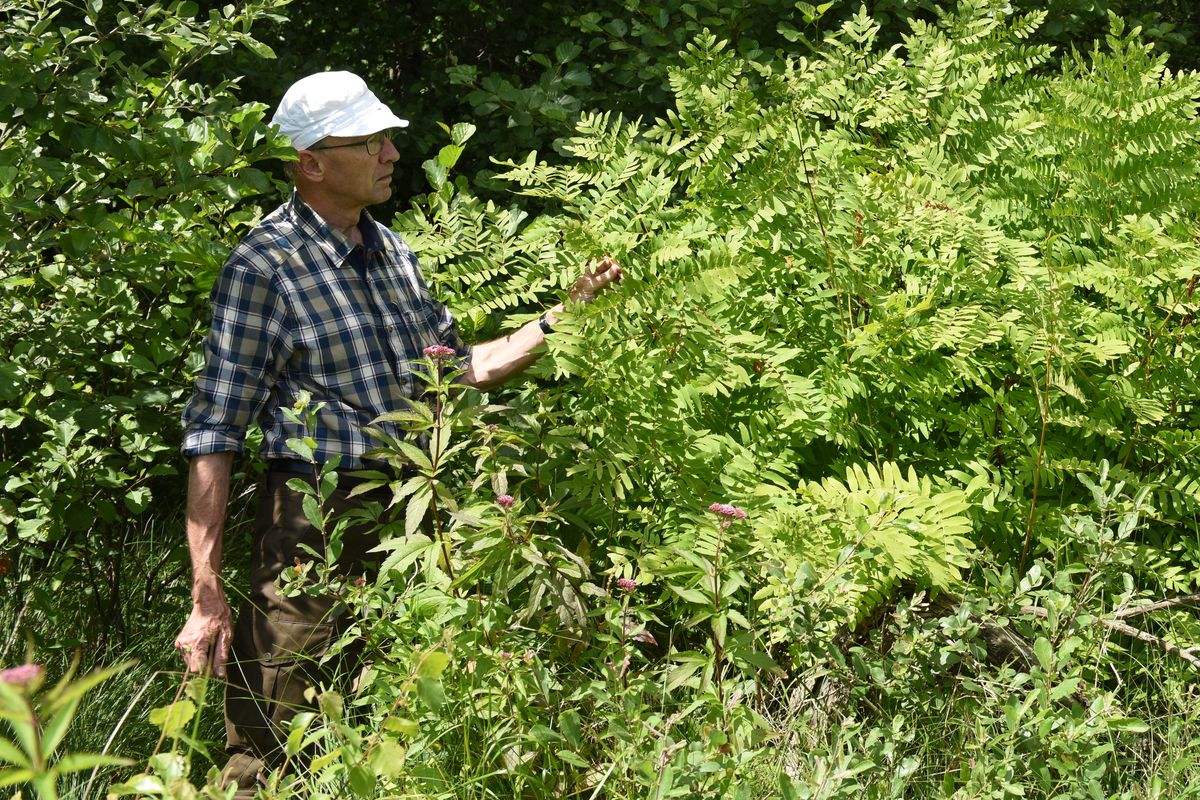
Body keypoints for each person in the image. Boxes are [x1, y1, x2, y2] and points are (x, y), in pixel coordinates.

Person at [174, 70, 621, 797]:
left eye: (387, 139)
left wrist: (558, 318)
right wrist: (206, 594)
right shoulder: (265, 266)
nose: (390, 153)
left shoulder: (394, 253)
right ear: (311, 162)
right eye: (370, 142)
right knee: (275, 735)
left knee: (392, 725)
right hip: (315, 521)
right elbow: (214, 432)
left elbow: (458, 369)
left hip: (414, 509)